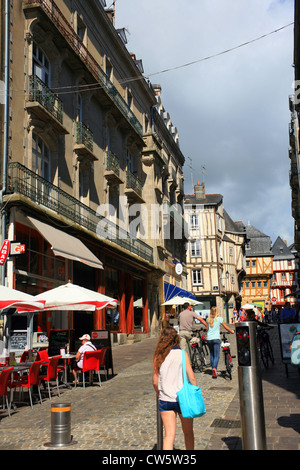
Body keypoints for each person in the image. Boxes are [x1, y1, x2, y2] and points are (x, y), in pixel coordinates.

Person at [152, 326, 197, 450]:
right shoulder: (182, 354)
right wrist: (195, 391)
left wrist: (159, 393)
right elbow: (192, 377)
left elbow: (155, 382)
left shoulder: (158, 356)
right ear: (176, 338)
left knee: (169, 435)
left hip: (165, 399)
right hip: (183, 399)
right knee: (188, 433)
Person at [206, 306, 234, 378]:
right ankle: (214, 369)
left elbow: (207, 329)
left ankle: (213, 369)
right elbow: (226, 327)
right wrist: (231, 331)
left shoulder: (208, 319)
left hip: (209, 339)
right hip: (216, 339)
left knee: (211, 354)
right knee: (216, 355)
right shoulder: (220, 319)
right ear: (217, 312)